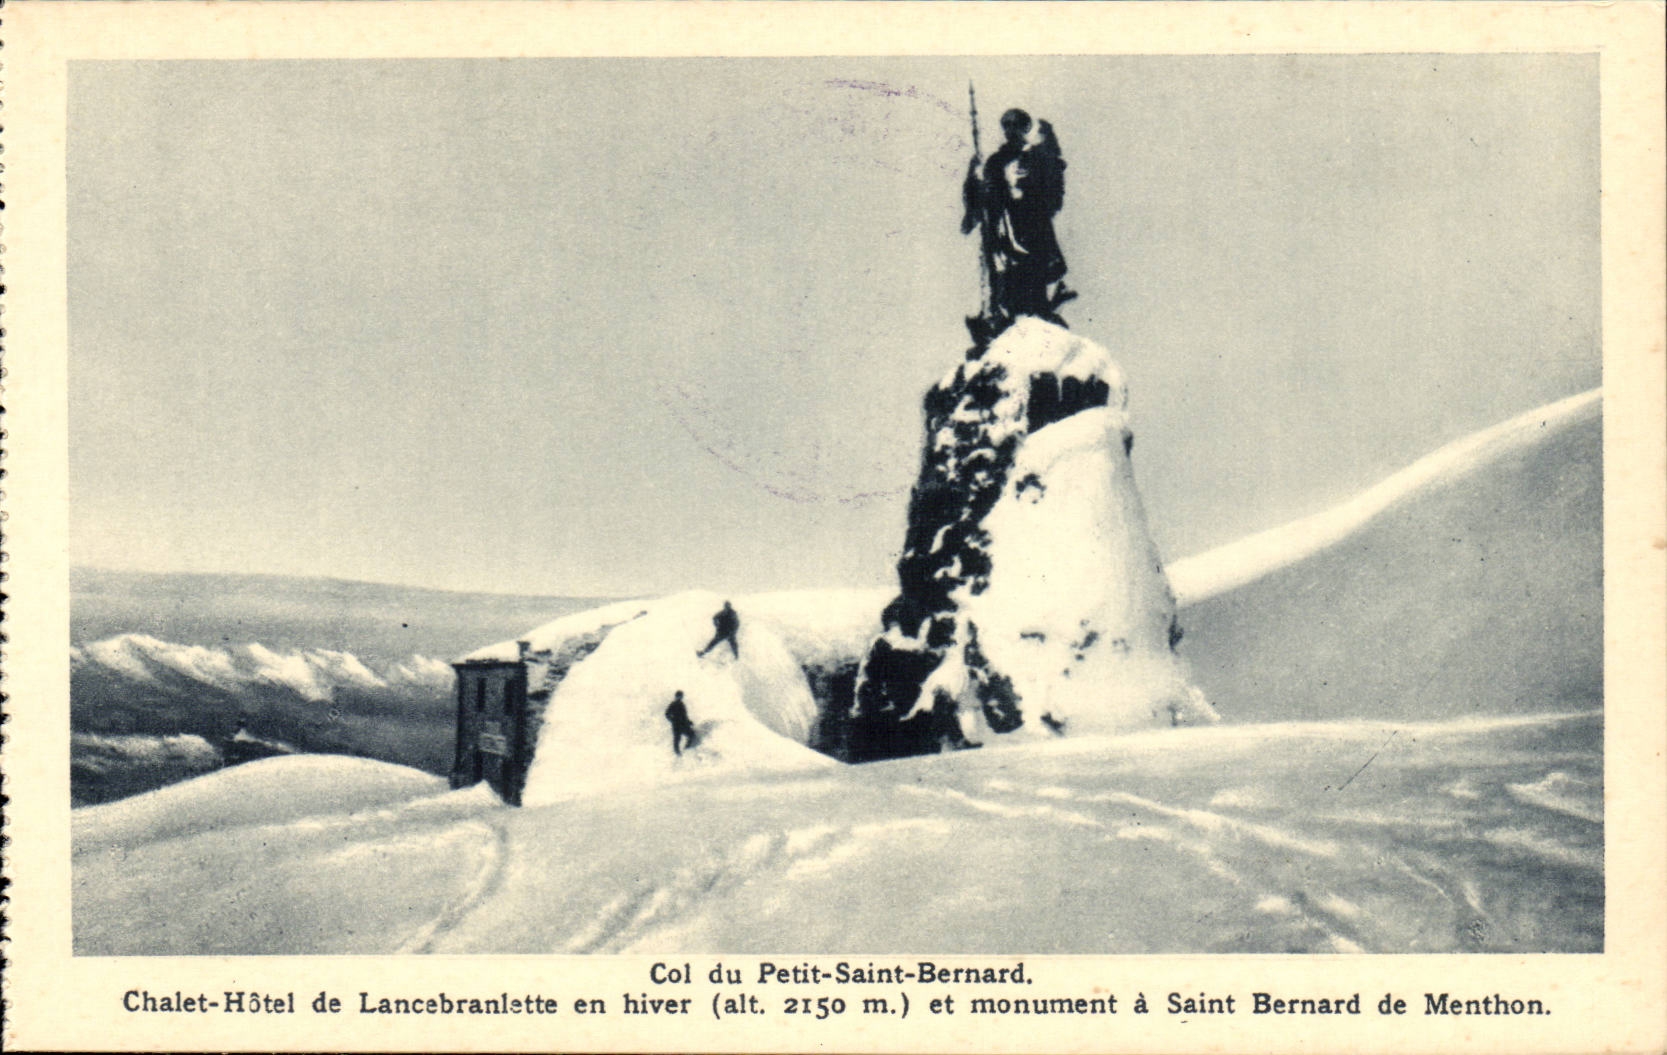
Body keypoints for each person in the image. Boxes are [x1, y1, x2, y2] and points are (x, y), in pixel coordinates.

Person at [962, 108, 1071, 324]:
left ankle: (1037, 309)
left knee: (1035, 265)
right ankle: (1010, 314)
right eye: (1007, 125)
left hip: (1033, 224)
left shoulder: (1036, 157)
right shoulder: (995, 161)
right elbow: (984, 195)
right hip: (1005, 225)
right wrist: (975, 180)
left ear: (1025, 128)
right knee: (1008, 269)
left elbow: (1052, 188)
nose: (1011, 130)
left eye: (1017, 125)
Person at [665, 690, 698, 757]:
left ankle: (686, 749)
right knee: (677, 739)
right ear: (676, 696)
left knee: (692, 735)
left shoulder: (682, 704)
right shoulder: (673, 704)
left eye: (681, 696)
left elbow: (684, 715)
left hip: (683, 725)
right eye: (679, 696)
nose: (680, 697)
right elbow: (667, 714)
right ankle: (678, 754)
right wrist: (672, 720)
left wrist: (689, 722)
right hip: (677, 726)